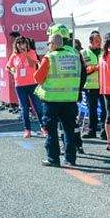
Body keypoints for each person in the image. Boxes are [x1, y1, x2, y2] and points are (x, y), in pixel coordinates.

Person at [33, 30, 81, 167]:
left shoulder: (50, 57)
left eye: (49, 43)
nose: (48, 46)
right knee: (69, 130)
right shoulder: (74, 56)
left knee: (51, 130)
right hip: (70, 99)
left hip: (52, 100)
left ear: (53, 44)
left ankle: (53, 158)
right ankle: (70, 159)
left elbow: (38, 78)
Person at [7, 37, 45, 138]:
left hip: (32, 84)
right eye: (18, 43)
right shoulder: (14, 55)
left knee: (38, 106)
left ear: (26, 44)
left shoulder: (31, 52)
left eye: (23, 43)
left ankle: (43, 128)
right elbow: (8, 67)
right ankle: (27, 129)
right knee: (24, 108)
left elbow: (33, 64)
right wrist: (13, 72)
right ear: (16, 45)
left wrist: (25, 54)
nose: (21, 45)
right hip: (20, 85)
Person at [82, 31, 105, 139]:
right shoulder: (83, 53)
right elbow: (83, 70)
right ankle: (92, 131)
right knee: (92, 110)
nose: (99, 43)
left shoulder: (104, 52)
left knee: (105, 109)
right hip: (90, 86)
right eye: (96, 41)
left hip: (103, 85)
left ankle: (105, 131)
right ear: (91, 41)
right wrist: (94, 68)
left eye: (100, 41)